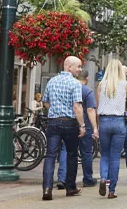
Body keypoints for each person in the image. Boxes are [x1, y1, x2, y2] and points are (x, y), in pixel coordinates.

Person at [42, 56, 88, 200]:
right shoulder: (75, 84)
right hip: (69, 122)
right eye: (78, 66)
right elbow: (77, 106)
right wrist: (82, 125)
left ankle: (47, 188)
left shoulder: (52, 81)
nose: (80, 69)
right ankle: (70, 187)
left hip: (53, 122)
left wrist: (55, 110)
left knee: (50, 155)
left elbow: (46, 102)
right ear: (69, 67)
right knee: (71, 154)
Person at [97, 60, 127, 198]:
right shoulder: (125, 85)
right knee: (115, 157)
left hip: (104, 121)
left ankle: (103, 178)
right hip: (119, 121)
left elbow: (98, 106)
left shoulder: (101, 85)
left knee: (105, 154)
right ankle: (112, 190)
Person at [57, 69, 99, 190]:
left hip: (69, 123)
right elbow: (90, 110)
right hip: (85, 124)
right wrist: (95, 127)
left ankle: (62, 178)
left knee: (66, 150)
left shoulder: (68, 88)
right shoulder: (87, 91)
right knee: (86, 152)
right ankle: (87, 178)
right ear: (87, 79)